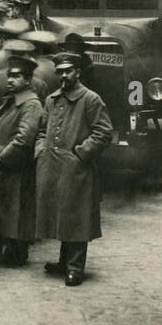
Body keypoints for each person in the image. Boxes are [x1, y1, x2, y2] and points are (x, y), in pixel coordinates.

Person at [37, 52, 113, 286]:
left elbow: (104, 132)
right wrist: (40, 151)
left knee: (77, 218)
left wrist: (81, 154)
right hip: (52, 167)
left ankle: (75, 267)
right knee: (61, 215)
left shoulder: (91, 99)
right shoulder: (51, 99)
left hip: (77, 169)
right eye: (59, 71)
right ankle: (63, 262)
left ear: (78, 72)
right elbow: (42, 130)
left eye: (68, 70)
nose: (63, 75)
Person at [0, 53, 43, 266]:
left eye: (16, 76)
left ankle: (16, 252)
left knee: (16, 212)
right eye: (9, 75)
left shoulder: (31, 104)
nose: (10, 80)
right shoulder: (12, 100)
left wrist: (1, 158)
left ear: (28, 80)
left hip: (13, 168)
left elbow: (24, 139)